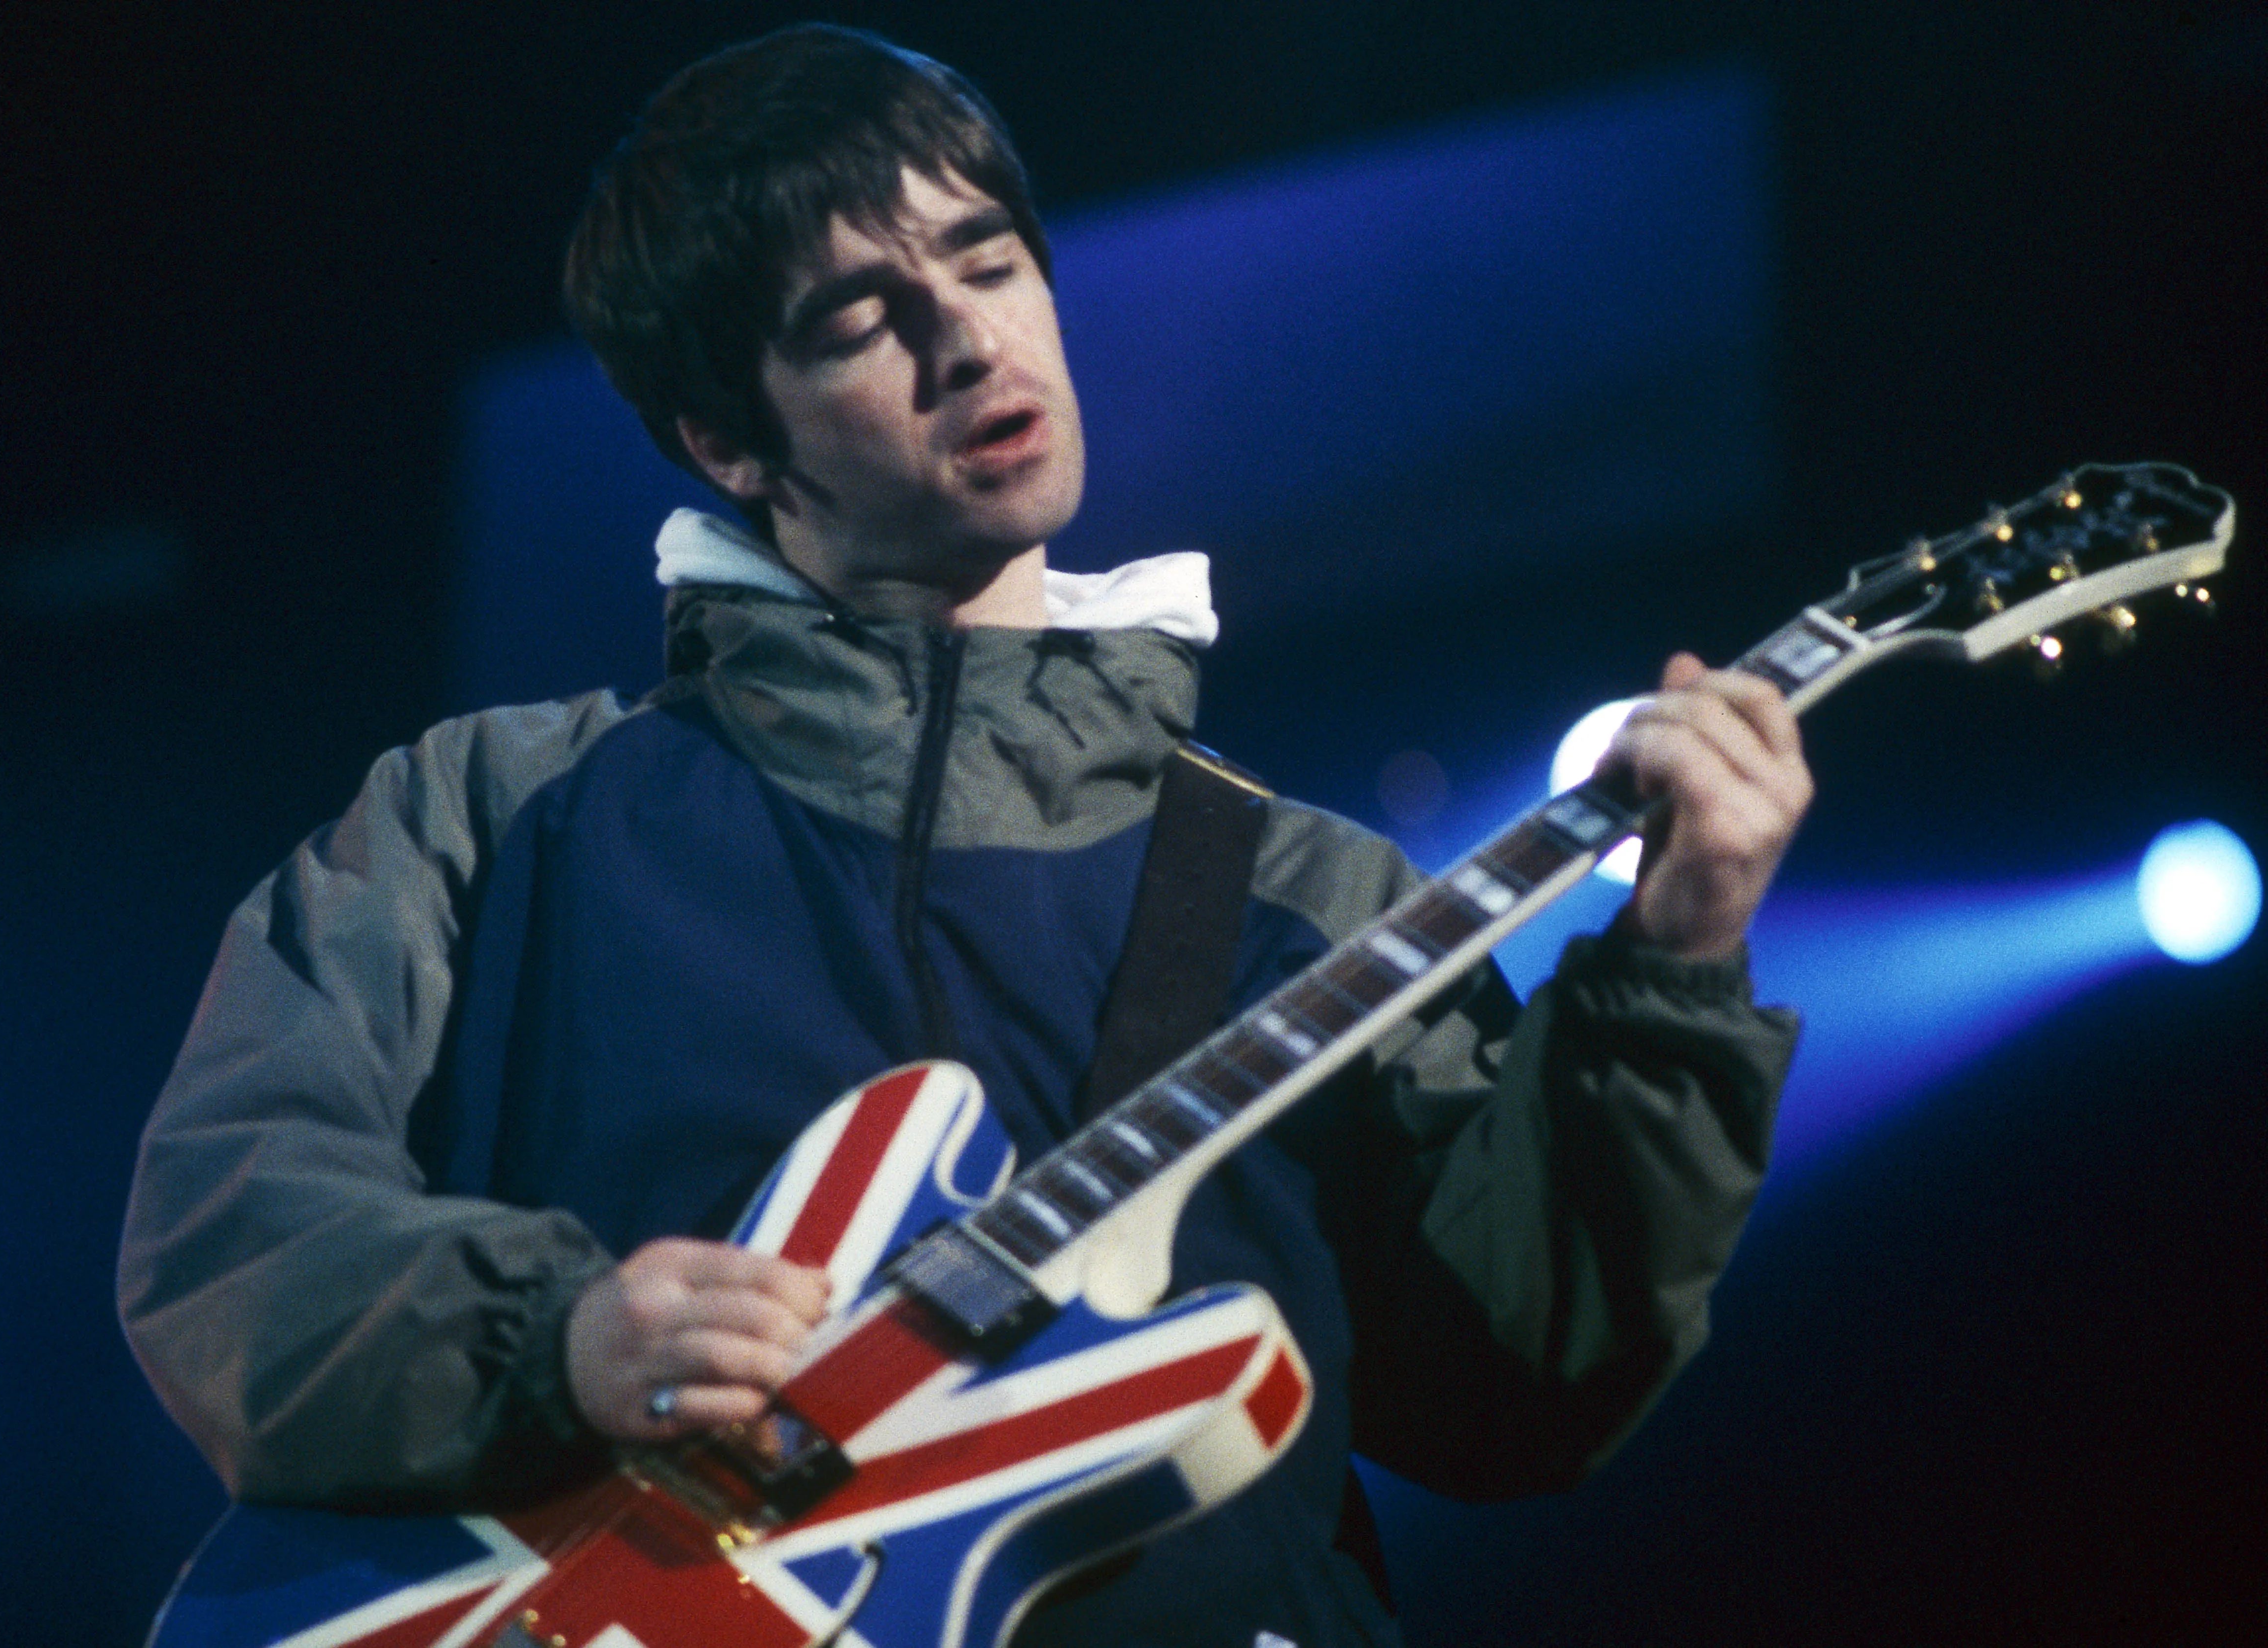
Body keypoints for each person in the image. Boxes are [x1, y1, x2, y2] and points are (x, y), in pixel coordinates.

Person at [118, 24, 1809, 1648]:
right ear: (725, 439)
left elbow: (1519, 1387)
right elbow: (232, 1236)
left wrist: (1674, 966)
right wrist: (557, 1334)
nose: (971, 343)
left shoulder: (1307, 897)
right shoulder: (486, 817)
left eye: (991, 263)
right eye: (864, 317)